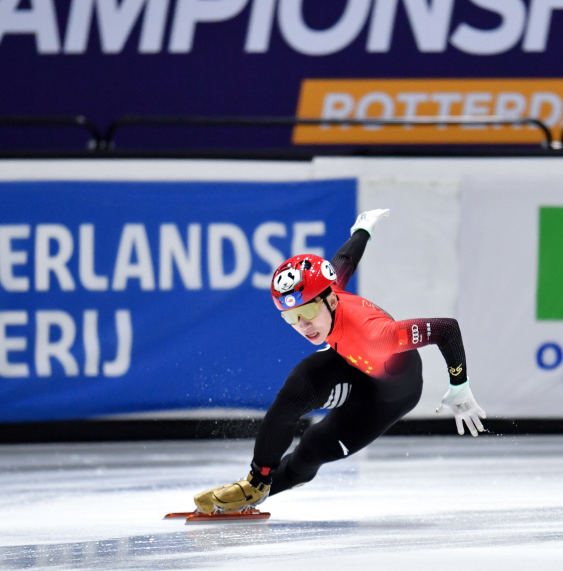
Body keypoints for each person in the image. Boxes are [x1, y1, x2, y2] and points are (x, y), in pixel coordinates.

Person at [194, 209, 486, 514]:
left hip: (389, 395)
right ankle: (256, 483)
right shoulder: (326, 291)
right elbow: (345, 261)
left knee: (313, 446)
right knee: (293, 395)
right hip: (351, 360)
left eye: (306, 313)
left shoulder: (378, 335)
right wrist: (363, 229)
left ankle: (273, 487)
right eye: (291, 317)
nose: (303, 326)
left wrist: (459, 385)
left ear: (332, 301)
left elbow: (446, 329)